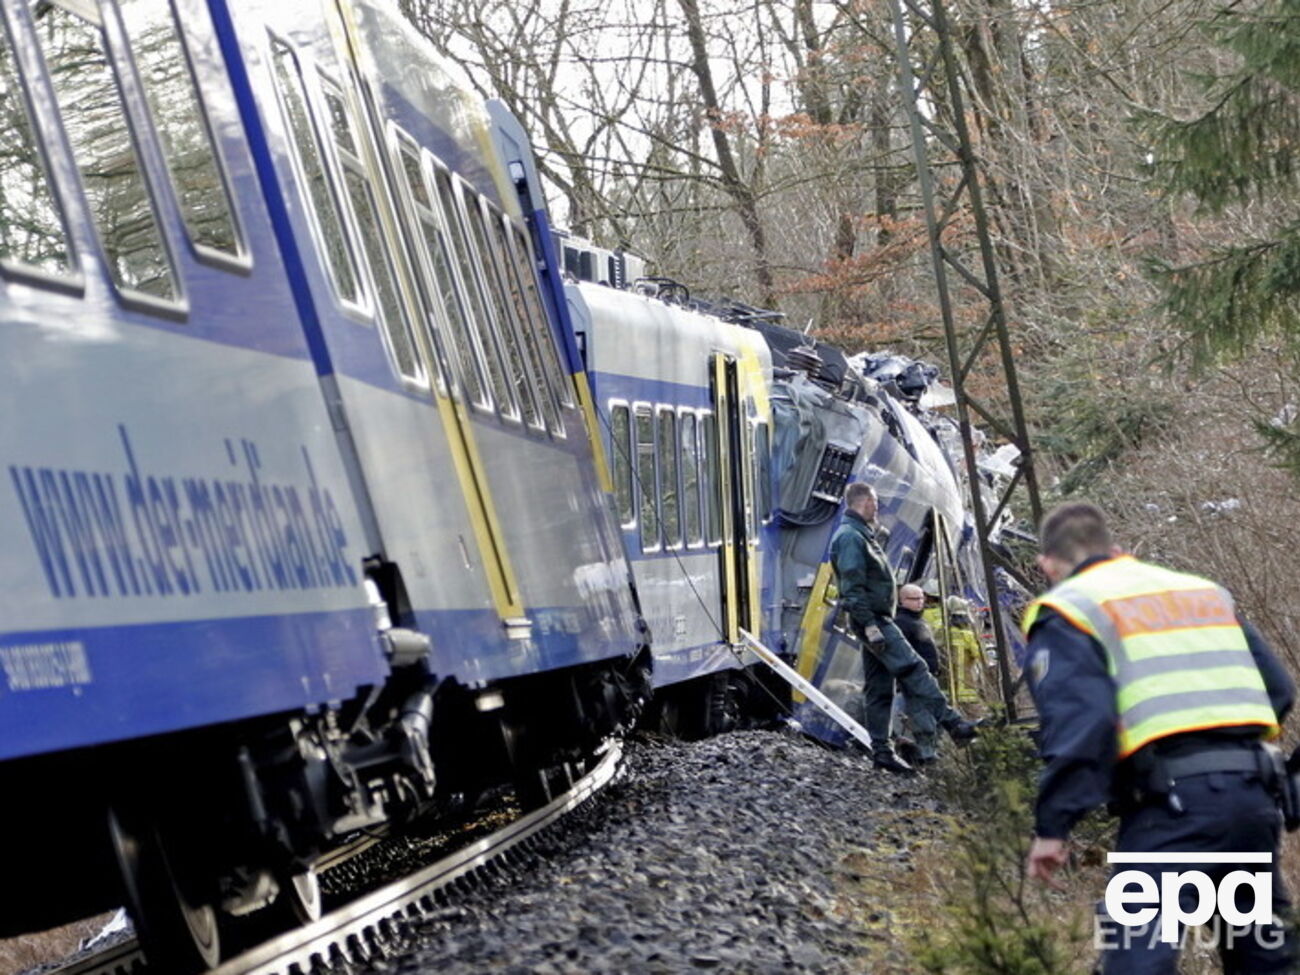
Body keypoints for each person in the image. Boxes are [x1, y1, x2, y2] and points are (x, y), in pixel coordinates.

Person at [1023, 501, 1295, 973]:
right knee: (1265, 961)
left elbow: (1083, 725)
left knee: (1137, 959)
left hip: (1171, 814)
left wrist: (1053, 826)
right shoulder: (1202, 593)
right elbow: (1278, 689)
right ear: (1116, 549)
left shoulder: (1070, 607)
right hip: (1252, 802)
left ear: (1046, 565)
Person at [829, 482, 980, 774]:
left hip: (873, 619)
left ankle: (882, 753)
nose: (877, 508)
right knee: (914, 668)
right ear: (865, 502)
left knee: (879, 688)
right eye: (875, 502)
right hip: (875, 620)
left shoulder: (859, 535)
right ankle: (954, 724)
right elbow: (852, 587)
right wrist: (870, 625)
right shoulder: (851, 537)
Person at [896, 584, 940, 677]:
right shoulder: (901, 622)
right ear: (903, 600)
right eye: (915, 599)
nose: (920, 602)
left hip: (927, 674)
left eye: (922, 598)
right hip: (915, 676)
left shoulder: (920, 620)